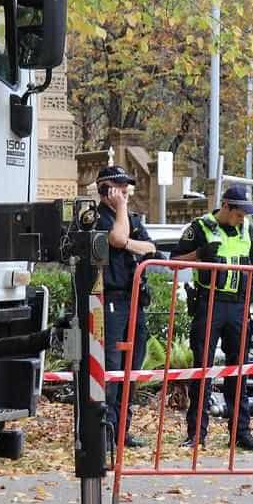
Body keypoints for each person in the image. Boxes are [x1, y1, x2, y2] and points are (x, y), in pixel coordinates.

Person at [172, 185, 253, 451]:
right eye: (239, 213)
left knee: (240, 370)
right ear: (226, 207)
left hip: (238, 306)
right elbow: (174, 261)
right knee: (203, 369)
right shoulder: (200, 227)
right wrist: (200, 255)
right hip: (209, 303)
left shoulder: (248, 229)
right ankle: (196, 434)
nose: (243, 218)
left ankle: (241, 432)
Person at [95, 165, 155, 450]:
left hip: (134, 300)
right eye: (120, 186)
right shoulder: (97, 217)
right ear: (105, 189)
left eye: (127, 187)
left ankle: (122, 431)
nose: (126, 192)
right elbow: (117, 239)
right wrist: (121, 213)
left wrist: (131, 243)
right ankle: (105, 430)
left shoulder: (130, 219)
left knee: (132, 368)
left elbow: (151, 248)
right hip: (111, 300)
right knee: (114, 368)